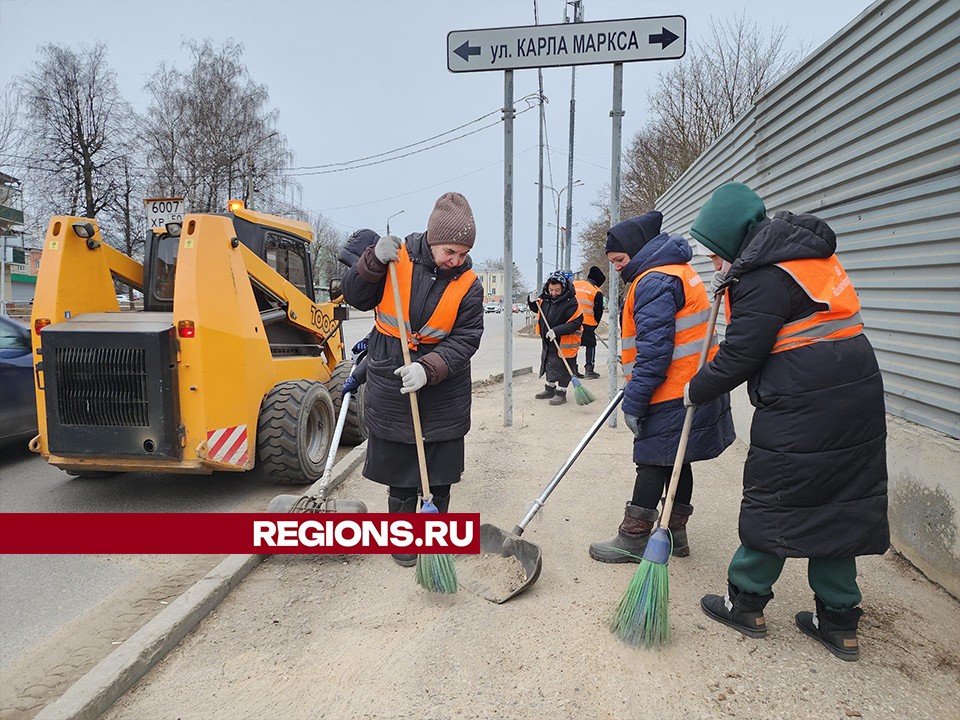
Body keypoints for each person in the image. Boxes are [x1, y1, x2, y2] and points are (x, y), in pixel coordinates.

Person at [686, 182, 888, 662]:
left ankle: (746, 602)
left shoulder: (761, 276)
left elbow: (741, 355)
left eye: (717, 254)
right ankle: (839, 622)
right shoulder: (809, 257)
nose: (715, 265)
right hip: (856, 388)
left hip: (803, 398)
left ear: (735, 240)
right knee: (840, 497)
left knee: (776, 493)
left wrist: (697, 388)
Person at [342, 192, 484, 567]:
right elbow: (355, 296)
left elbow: (468, 337)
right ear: (432, 239)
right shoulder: (396, 258)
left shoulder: (469, 283)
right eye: (449, 251)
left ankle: (435, 534)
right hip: (392, 374)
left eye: (462, 253)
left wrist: (429, 367)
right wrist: (370, 262)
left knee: (438, 463)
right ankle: (404, 534)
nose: (455, 260)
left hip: (443, 384)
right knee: (402, 463)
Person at [589, 211, 735, 563]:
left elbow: (655, 353)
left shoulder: (654, 281)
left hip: (670, 391)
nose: (618, 269)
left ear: (639, 250)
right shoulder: (678, 271)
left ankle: (633, 538)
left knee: (653, 462)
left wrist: (635, 402)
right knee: (677, 460)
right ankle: (674, 534)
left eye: (621, 260)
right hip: (694, 386)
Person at [527, 272, 583, 406]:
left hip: (564, 341)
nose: (553, 293)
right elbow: (537, 308)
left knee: (563, 366)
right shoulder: (545, 298)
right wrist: (531, 300)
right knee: (550, 364)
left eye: (557, 290)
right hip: (548, 340)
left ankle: (561, 392)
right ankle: (549, 389)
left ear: (563, 288)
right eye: (551, 290)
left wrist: (556, 331)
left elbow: (576, 322)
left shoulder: (571, 302)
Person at [573, 266, 606, 379]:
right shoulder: (596, 290)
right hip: (587, 322)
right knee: (591, 345)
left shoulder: (575, 284)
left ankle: (573, 369)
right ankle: (589, 369)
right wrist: (595, 324)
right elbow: (598, 311)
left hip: (572, 321)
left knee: (573, 345)